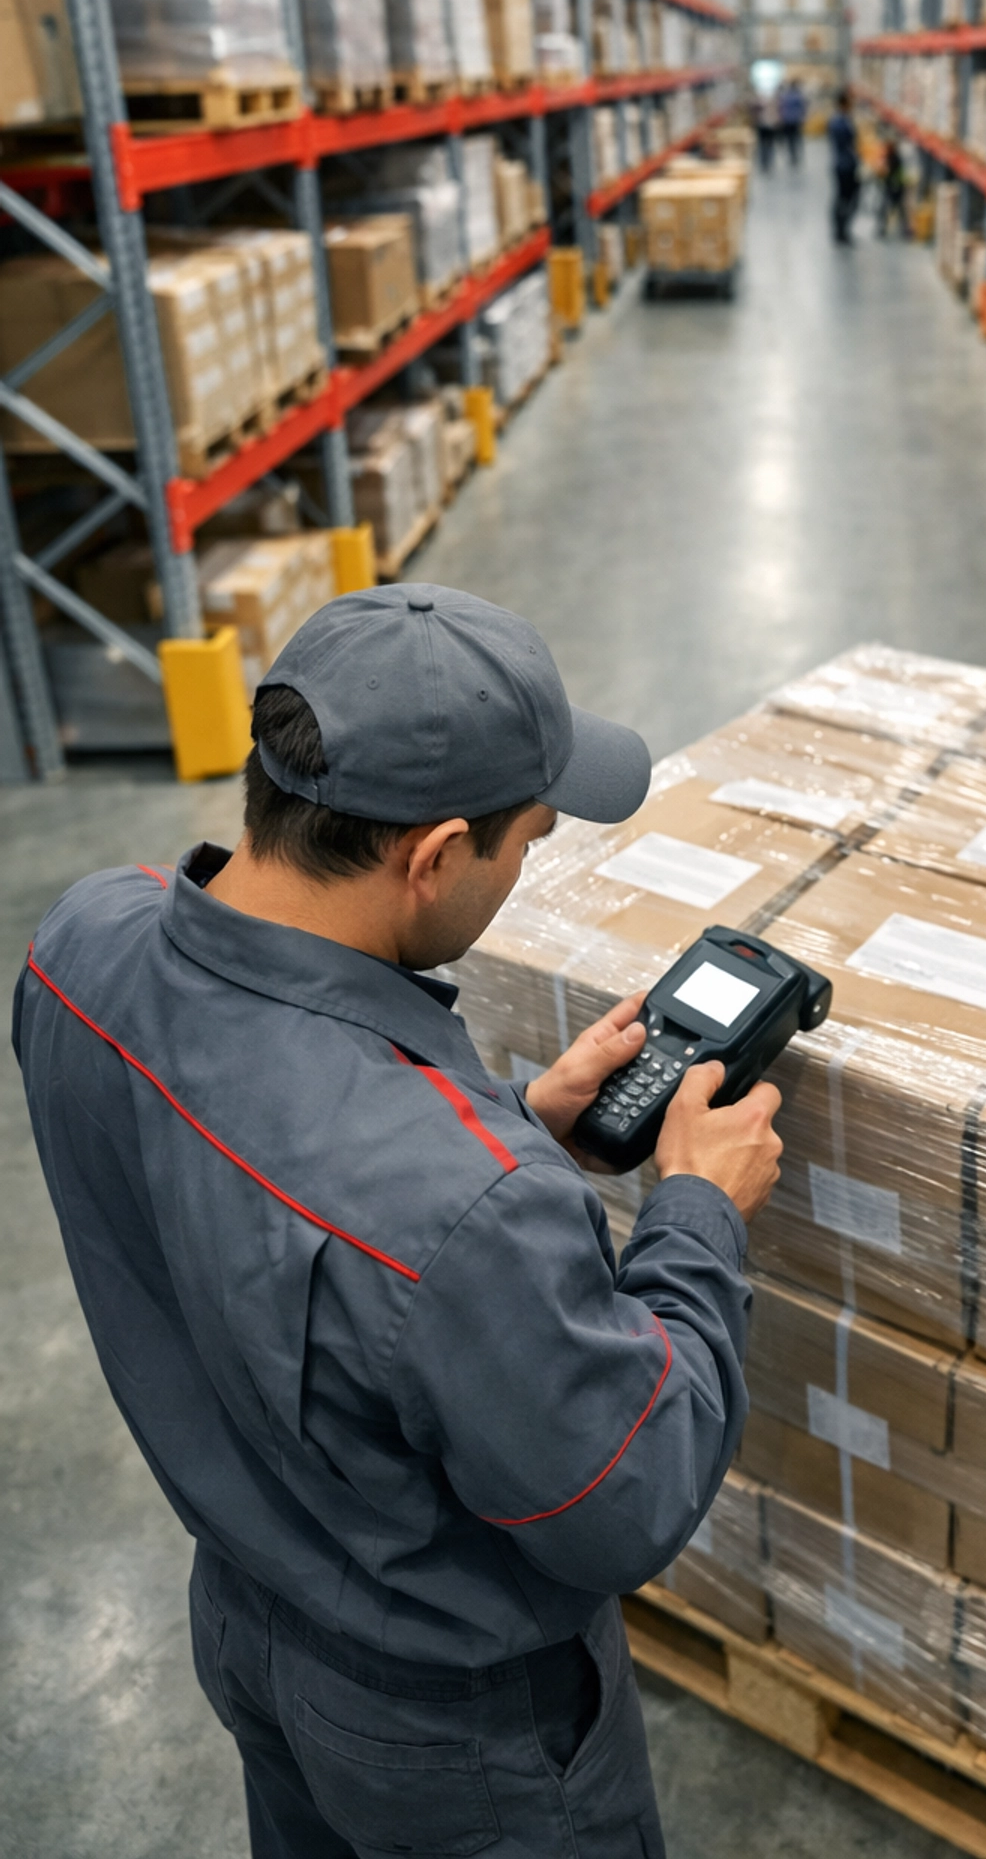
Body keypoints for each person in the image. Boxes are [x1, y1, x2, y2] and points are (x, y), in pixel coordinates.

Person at [15, 584, 783, 1859]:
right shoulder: (461, 1212)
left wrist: (507, 1122)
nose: (528, 862)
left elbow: (261, 1189)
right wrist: (698, 1211)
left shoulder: (78, 944)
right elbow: (625, 1495)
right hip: (455, 1739)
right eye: (528, 839)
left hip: (252, 1620)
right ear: (431, 857)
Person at [828, 87, 860, 245]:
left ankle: (842, 230)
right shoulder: (839, 121)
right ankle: (840, 231)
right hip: (844, 166)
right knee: (844, 198)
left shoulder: (843, 119)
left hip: (844, 163)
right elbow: (847, 143)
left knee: (846, 198)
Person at [878, 137, 908, 238]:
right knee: (897, 209)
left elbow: (886, 172)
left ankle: (884, 229)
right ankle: (903, 230)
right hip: (895, 186)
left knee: (888, 208)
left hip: (894, 187)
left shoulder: (893, 159)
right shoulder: (894, 157)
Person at [777, 77, 806, 167]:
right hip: (795, 120)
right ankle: (795, 156)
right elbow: (802, 108)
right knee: (796, 138)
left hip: (787, 120)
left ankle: (792, 156)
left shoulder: (786, 95)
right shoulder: (798, 95)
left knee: (790, 139)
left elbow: (781, 108)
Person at [752, 88, 778, 171]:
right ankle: (767, 161)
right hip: (768, 126)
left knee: (764, 144)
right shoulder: (771, 104)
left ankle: (766, 161)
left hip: (764, 126)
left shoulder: (758, 105)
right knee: (768, 145)